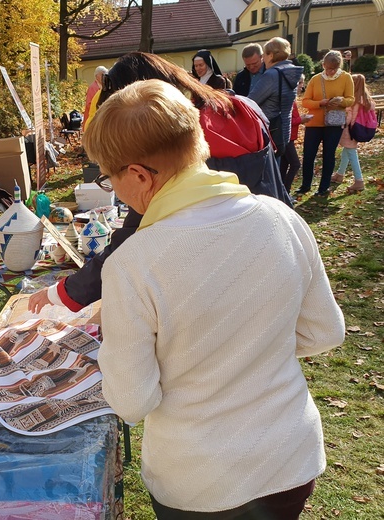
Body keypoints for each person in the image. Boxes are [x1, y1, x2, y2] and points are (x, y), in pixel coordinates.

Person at [86, 78, 345, 520]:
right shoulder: (281, 217)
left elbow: (132, 401)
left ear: (139, 175)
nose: (115, 190)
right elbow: (325, 331)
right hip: (288, 455)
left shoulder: (133, 264)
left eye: (109, 179)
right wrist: (251, 344)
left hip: (199, 478)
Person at [29, 51, 290, 313]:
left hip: (224, 293)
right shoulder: (234, 107)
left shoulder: (175, 140)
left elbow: (130, 243)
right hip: (272, 254)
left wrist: (64, 292)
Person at [296, 50, 354, 197]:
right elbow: (305, 101)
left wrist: (342, 101)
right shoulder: (316, 79)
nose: (330, 71)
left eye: (333, 69)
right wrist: (320, 103)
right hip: (314, 122)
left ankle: (324, 187)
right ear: (323, 65)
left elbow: (351, 99)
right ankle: (305, 185)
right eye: (328, 68)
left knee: (329, 154)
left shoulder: (346, 78)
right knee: (309, 155)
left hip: (334, 123)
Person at [248, 37, 303, 157]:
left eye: (264, 55)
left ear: (271, 55)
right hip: (283, 129)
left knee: (268, 172)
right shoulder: (290, 73)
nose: (263, 59)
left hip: (269, 131)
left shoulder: (272, 75)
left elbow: (250, 102)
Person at [331, 73, 373, 194]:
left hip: (349, 130)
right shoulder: (366, 99)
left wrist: (342, 124)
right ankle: (340, 174)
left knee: (351, 153)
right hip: (359, 130)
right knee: (347, 151)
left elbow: (349, 117)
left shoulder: (353, 100)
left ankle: (359, 180)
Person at [281, 75, 312, 193]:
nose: (301, 86)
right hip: (286, 137)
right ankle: (286, 192)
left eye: (302, 83)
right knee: (295, 164)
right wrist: (301, 119)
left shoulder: (293, 99)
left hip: (290, 137)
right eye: (299, 83)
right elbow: (286, 121)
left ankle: (282, 192)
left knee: (284, 165)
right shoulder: (287, 100)